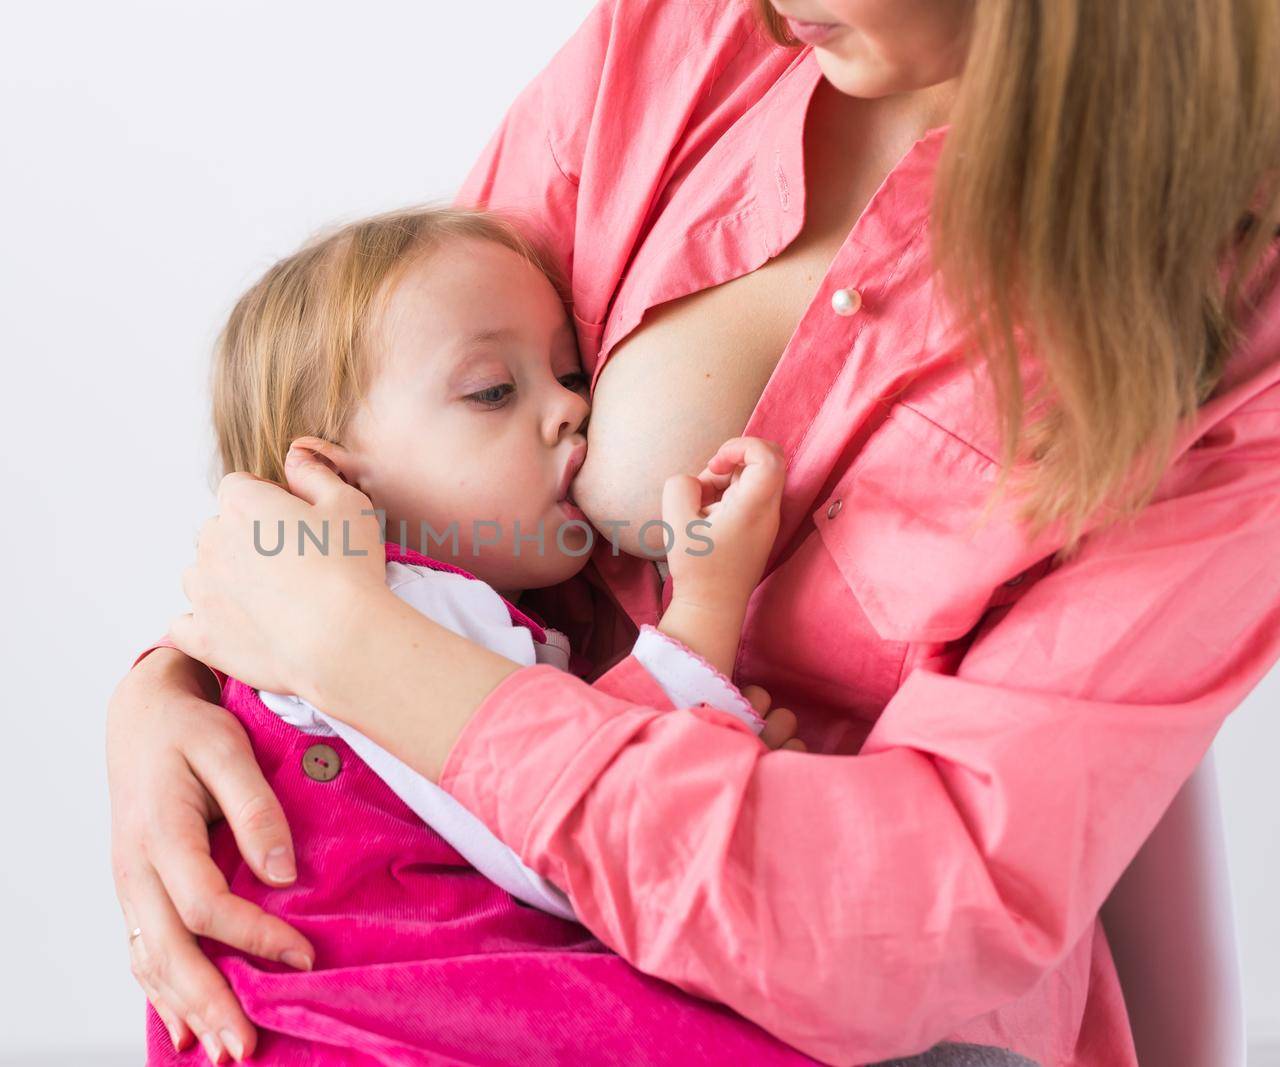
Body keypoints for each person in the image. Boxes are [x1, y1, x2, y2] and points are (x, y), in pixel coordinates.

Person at [109, 1, 1280, 1063]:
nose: (764, 15)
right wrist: (184, 687)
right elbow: (372, 396)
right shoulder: (671, 42)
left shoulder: (1241, 338)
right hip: (477, 931)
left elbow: (935, 909)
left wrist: (357, 659)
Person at [138, 204, 816, 1064]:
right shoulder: (399, 605)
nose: (570, 409)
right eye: (494, 391)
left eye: (572, 376)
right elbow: (561, 837)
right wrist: (707, 609)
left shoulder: (356, 608)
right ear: (339, 477)